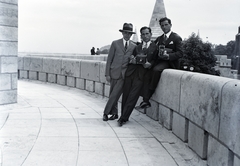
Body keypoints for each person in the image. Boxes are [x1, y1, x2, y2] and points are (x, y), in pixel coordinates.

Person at [137, 17, 183, 109]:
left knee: (156, 70)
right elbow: (153, 49)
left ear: (170, 25)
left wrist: (169, 56)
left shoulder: (176, 37)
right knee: (147, 74)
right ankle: (145, 100)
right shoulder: (159, 38)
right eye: (162, 25)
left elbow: (180, 53)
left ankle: (147, 99)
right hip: (159, 61)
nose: (164, 27)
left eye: (166, 25)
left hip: (170, 63)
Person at [118, 26, 158, 126]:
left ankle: (123, 118)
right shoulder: (137, 47)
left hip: (142, 76)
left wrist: (150, 64)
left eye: (147, 33)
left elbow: (156, 61)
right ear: (141, 36)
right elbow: (131, 58)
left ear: (151, 34)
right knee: (126, 95)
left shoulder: (155, 47)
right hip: (131, 73)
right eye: (143, 34)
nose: (145, 36)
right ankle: (123, 116)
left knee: (133, 96)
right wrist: (132, 59)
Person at [103, 23, 136, 121]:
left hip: (124, 75)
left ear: (131, 35)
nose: (127, 35)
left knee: (114, 94)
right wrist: (107, 74)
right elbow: (109, 59)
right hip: (114, 73)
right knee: (113, 94)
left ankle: (105, 113)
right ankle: (115, 113)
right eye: (125, 32)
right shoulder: (115, 43)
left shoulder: (134, 46)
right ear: (122, 33)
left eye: (129, 33)